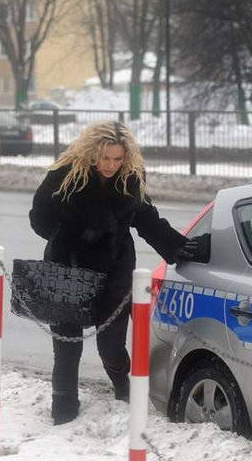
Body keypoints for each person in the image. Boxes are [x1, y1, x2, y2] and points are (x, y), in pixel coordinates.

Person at [29, 121, 197, 425]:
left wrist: (177, 247)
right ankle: (64, 409)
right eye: (105, 158)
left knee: (112, 346)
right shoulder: (65, 176)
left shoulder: (130, 180)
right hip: (69, 268)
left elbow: (146, 219)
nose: (110, 165)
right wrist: (73, 232)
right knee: (67, 346)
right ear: (92, 153)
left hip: (114, 271)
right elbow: (39, 218)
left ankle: (124, 391)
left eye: (117, 159)